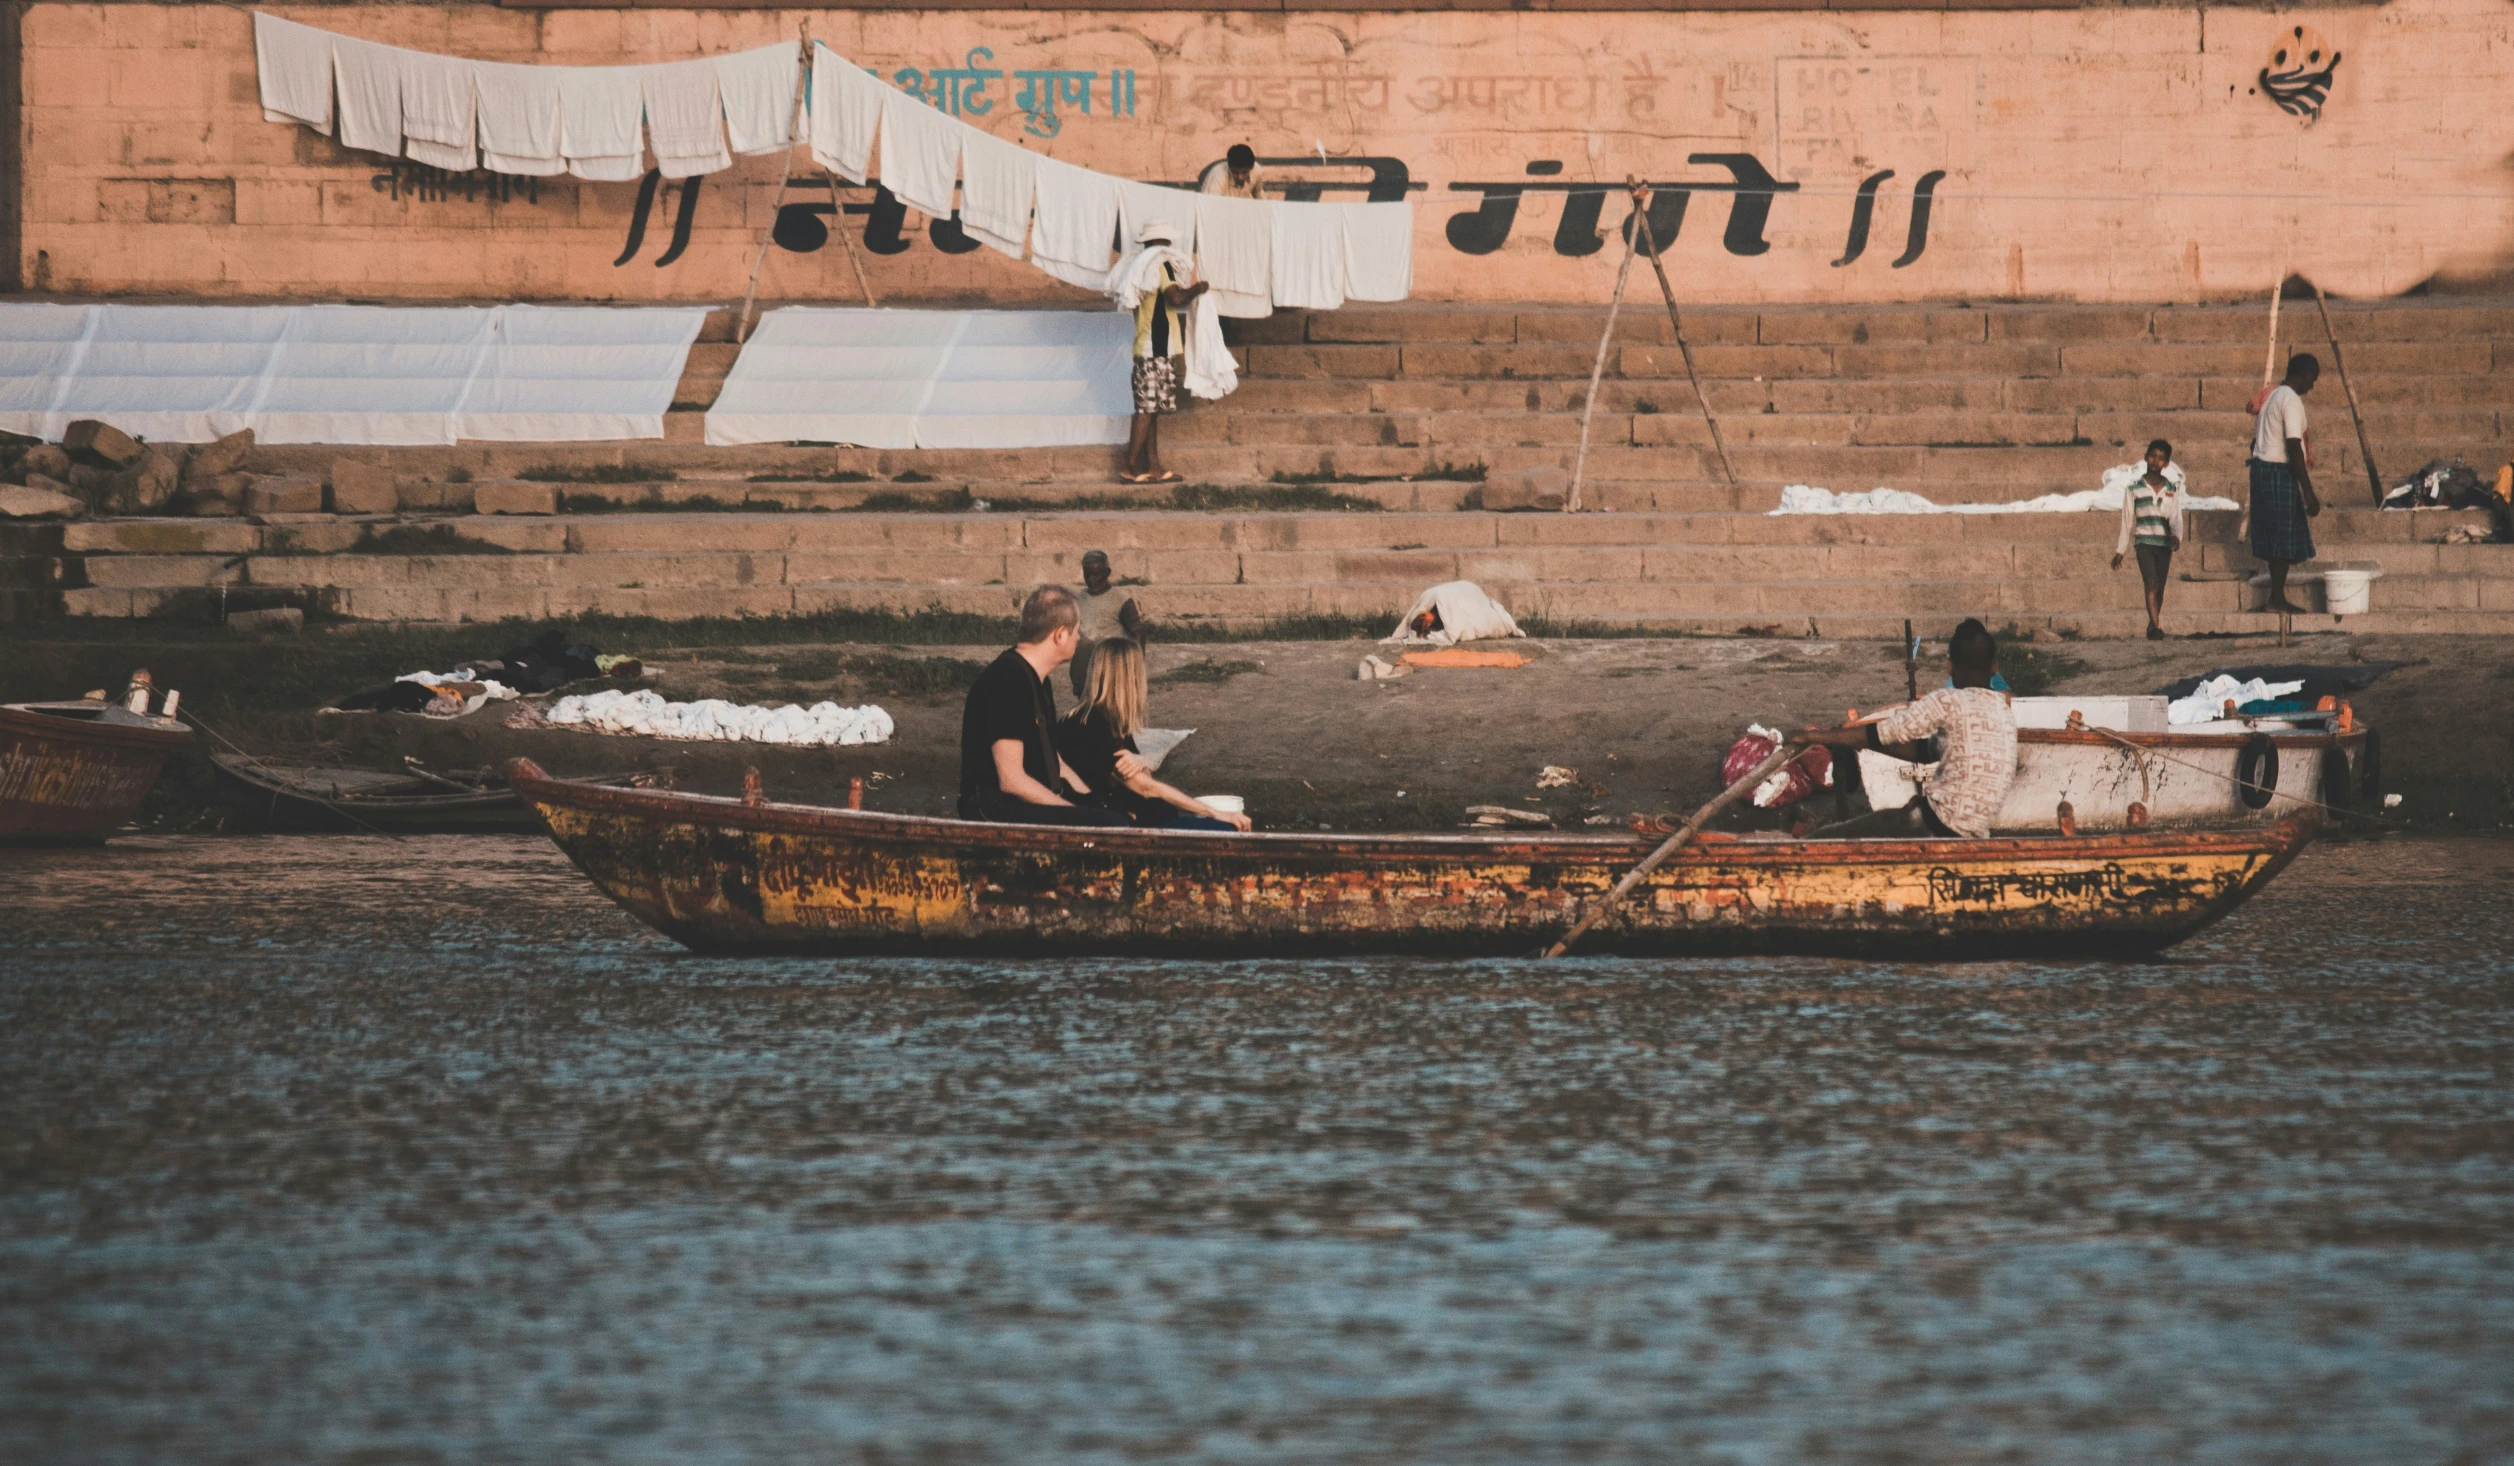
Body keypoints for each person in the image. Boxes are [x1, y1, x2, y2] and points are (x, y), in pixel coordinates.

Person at [1804, 618, 2018, 839]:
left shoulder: (1950, 700)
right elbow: (1924, 751)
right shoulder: (2003, 709)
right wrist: (1866, 744)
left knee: (1822, 838)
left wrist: (1814, 736)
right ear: (1995, 667)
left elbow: (1884, 732)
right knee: (1894, 817)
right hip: (1972, 833)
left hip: (1937, 827)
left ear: (1949, 666)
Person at [958, 586, 1136, 826]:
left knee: (1120, 815)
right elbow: (1011, 780)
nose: (1079, 637)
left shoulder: (1037, 680)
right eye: (1076, 630)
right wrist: (1077, 815)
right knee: (1113, 826)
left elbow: (1055, 763)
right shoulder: (1007, 680)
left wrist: (1094, 803)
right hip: (995, 807)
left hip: (1023, 799)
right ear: (1060, 635)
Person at [1056, 637, 1252, 832]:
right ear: (1131, 677)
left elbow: (1144, 778)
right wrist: (1215, 812)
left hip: (1137, 819)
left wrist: (1142, 761)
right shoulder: (1092, 724)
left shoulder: (1108, 720)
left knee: (1222, 824)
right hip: (1130, 827)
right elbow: (1145, 788)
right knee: (1226, 828)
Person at [1123, 222, 1207, 486]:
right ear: (1163, 244)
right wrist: (1199, 288)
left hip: (1148, 346)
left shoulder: (1143, 266)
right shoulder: (1162, 265)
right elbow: (1176, 298)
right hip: (1154, 347)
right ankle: (1129, 466)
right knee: (1146, 410)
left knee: (1152, 408)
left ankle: (1154, 465)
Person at [2249, 353, 2322, 614]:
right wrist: (2308, 492)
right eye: (2312, 380)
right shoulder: (2289, 399)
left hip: (2261, 468)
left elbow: (2254, 442)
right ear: (2303, 375)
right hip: (2277, 470)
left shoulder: (2272, 396)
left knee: (2276, 535)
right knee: (2281, 536)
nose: (2311, 387)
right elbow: (2294, 445)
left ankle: (2276, 597)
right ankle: (2276, 599)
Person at [2111, 438, 2189, 641]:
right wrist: (2121, 550)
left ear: (2167, 463)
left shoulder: (2172, 488)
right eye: (2153, 456)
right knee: (2151, 583)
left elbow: (2176, 516)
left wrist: (2177, 536)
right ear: (2146, 457)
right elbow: (2127, 520)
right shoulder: (2134, 488)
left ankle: (2151, 624)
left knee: (2160, 587)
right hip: (2144, 544)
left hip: (2163, 545)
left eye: (2161, 458)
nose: (2156, 461)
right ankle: (2156, 627)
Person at [1070, 549, 1146, 696]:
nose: (1092, 579)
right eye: (1088, 575)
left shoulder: (1120, 598)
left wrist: (1137, 665)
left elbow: (1137, 632)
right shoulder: (1078, 599)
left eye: (1097, 574)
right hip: (1085, 671)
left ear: (1107, 573)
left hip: (1112, 670)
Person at [1200, 144, 1266, 199]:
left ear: (1251, 168)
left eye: (1244, 173)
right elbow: (1209, 208)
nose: (1240, 177)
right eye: (1235, 172)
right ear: (1229, 167)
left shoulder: (1257, 171)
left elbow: (1258, 194)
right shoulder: (1218, 177)